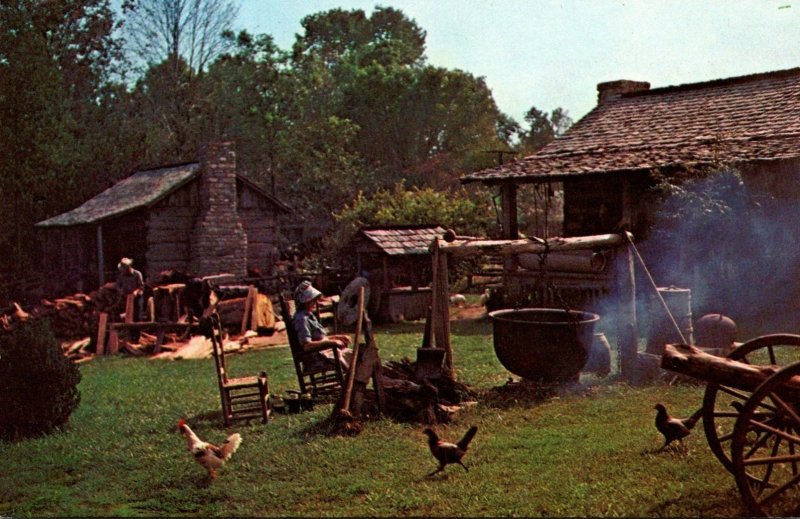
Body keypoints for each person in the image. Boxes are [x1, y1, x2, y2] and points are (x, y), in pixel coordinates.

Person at [292, 280, 353, 372]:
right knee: (356, 358)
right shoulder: (302, 319)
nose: (316, 303)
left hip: (325, 353)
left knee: (359, 355)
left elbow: (319, 339)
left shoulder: (309, 316)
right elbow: (307, 346)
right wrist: (332, 342)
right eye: (313, 300)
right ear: (306, 301)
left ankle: (355, 379)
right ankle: (352, 380)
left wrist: (337, 337)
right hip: (317, 358)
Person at [116, 257, 144, 322]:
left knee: (137, 315)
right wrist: (121, 291)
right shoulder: (121, 275)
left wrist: (136, 292)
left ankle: (137, 330)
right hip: (125, 297)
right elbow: (118, 286)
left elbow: (141, 286)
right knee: (124, 315)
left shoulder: (137, 274)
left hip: (137, 297)